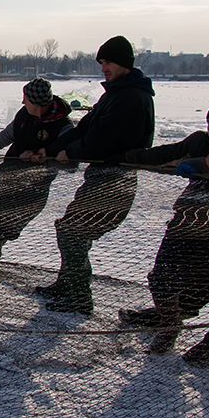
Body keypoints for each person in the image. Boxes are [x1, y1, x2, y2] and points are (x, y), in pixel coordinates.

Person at [34, 36, 155, 315]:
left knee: (73, 231)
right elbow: (84, 128)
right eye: (101, 62)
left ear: (124, 63)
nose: (104, 68)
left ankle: (79, 297)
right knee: (70, 229)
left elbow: (101, 140)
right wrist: (48, 150)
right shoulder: (115, 93)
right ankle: (69, 285)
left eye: (108, 62)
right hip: (101, 176)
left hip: (116, 179)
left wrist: (70, 153)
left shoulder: (132, 97)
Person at [118, 101, 209, 358]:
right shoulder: (200, 141)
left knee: (202, 290)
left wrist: (205, 164)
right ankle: (168, 325)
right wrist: (125, 156)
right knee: (163, 278)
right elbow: (165, 154)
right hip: (186, 223)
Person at [0, 78, 74, 276]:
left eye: (25, 98)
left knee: (9, 223)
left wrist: (41, 157)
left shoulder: (64, 127)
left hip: (34, 188)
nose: (22, 102)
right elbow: (9, 134)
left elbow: (69, 161)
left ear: (37, 103)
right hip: (6, 177)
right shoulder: (24, 114)